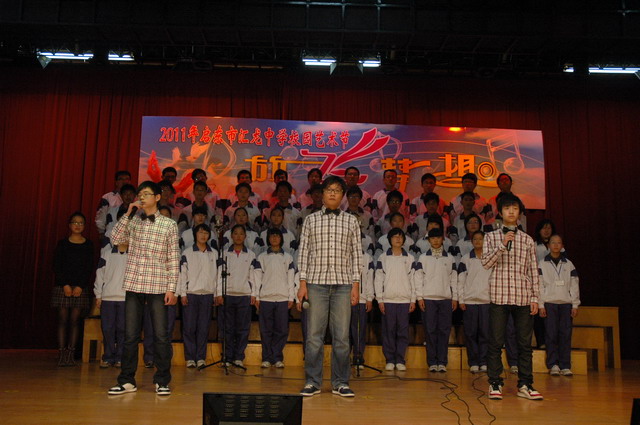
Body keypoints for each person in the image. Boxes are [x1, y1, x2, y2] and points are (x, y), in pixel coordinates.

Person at [107, 181, 179, 396]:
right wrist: (128, 213)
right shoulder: (134, 221)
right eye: (140, 194)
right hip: (135, 283)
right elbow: (115, 239)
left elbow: (173, 258)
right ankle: (127, 380)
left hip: (158, 284)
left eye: (146, 194)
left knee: (160, 335)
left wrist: (171, 288)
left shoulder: (169, 224)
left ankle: (162, 380)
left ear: (157, 197)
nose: (142, 197)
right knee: (130, 335)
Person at [297, 175, 362, 398]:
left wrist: (356, 285)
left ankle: (341, 382)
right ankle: (312, 382)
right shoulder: (311, 220)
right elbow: (304, 252)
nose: (333, 193)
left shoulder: (351, 221)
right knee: (314, 336)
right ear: (322, 194)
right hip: (316, 284)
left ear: (343, 195)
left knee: (342, 337)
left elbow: (357, 254)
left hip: (343, 284)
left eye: (337, 190)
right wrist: (302, 283)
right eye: (329, 189)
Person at [482, 193, 542, 401]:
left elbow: (533, 270)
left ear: (519, 213)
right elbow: (486, 263)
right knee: (495, 342)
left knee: (524, 344)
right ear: (500, 212)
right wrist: (502, 245)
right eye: (507, 208)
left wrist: (535, 298)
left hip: (522, 296)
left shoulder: (527, 239)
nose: (511, 212)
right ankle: (495, 382)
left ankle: (525, 384)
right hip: (499, 295)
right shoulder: (491, 237)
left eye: (515, 209)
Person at [51, 212, 94, 366]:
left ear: (84, 226)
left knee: (75, 321)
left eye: (81, 223)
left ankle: (71, 353)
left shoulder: (88, 245)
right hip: (63, 286)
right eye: (75, 222)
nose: (77, 225)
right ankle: (62, 353)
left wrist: (80, 286)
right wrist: (65, 285)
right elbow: (57, 265)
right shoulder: (62, 243)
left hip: (80, 288)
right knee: (63, 320)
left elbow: (89, 267)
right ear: (69, 225)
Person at [414, 227, 458, 372]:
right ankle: (432, 362)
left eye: (438, 238)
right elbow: (418, 278)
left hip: (445, 299)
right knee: (430, 330)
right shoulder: (423, 258)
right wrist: (420, 297)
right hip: (428, 298)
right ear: (428, 240)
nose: (436, 241)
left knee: (444, 331)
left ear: (443, 239)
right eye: (432, 238)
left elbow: (454, 279)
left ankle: (442, 362)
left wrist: (455, 297)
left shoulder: (450, 258)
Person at [254, 228, 297, 368]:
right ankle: (266, 358)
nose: (274, 238)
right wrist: (257, 296)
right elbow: (257, 278)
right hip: (266, 298)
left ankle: (277, 357)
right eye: (271, 236)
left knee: (282, 330)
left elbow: (291, 278)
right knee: (266, 330)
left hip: (283, 298)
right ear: (268, 238)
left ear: (281, 239)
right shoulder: (262, 257)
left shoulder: (288, 257)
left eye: (277, 236)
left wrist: (291, 297)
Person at [374, 228, 416, 371]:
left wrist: (413, 300)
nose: (398, 239)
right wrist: (380, 299)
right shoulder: (383, 258)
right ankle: (390, 359)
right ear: (390, 239)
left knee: (403, 332)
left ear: (404, 240)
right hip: (388, 300)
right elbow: (378, 279)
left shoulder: (409, 258)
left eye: (400, 237)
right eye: (395, 237)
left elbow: (413, 280)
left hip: (404, 300)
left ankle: (400, 360)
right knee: (389, 331)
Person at [216, 224, 257, 367]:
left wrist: (253, 294)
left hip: (244, 295)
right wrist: (219, 293)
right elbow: (219, 275)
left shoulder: (251, 255)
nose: (238, 236)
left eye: (241, 234)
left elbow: (253, 276)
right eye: (236, 233)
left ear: (245, 236)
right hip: (227, 295)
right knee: (227, 328)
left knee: (242, 329)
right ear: (231, 236)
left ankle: (239, 357)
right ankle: (227, 356)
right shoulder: (224, 254)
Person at [538, 234, 580, 376]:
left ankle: (565, 365)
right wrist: (541, 304)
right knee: (551, 335)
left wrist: (575, 305)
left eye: (558, 243)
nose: (556, 245)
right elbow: (539, 285)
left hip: (565, 304)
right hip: (549, 303)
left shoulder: (568, 264)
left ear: (562, 246)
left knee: (565, 335)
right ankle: (553, 364)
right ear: (548, 245)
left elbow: (574, 285)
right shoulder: (542, 263)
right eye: (553, 242)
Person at [178, 223, 218, 369]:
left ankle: (201, 357)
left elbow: (217, 275)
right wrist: (183, 293)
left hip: (207, 294)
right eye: (200, 232)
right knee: (189, 327)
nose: (203, 235)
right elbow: (183, 274)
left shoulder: (214, 253)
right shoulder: (187, 253)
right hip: (191, 294)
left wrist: (216, 293)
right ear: (195, 234)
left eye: (206, 233)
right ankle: (190, 358)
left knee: (203, 327)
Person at [457, 231, 491, 373]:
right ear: (471, 242)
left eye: (480, 239)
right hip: (469, 301)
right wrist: (461, 299)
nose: (478, 241)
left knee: (485, 333)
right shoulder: (466, 259)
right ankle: (473, 362)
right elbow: (460, 281)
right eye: (475, 239)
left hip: (486, 301)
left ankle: (484, 361)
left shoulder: (490, 258)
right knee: (470, 333)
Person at [94, 235, 128, 368]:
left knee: (123, 329)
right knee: (108, 328)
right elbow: (99, 275)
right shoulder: (107, 254)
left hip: (125, 298)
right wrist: (98, 295)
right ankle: (108, 356)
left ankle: (120, 357)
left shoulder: (134, 255)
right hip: (108, 297)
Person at [350, 250, 375, 369]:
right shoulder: (342, 254)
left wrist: (369, 298)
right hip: (343, 300)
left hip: (361, 299)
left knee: (359, 331)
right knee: (343, 331)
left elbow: (370, 279)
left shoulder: (367, 257)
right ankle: (343, 359)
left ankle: (358, 357)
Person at [95, 170, 131, 236]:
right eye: (121, 179)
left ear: (130, 182)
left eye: (127, 179)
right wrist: (101, 232)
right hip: (111, 234)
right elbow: (100, 217)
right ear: (116, 182)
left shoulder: (136, 198)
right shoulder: (107, 197)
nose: (124, 181)